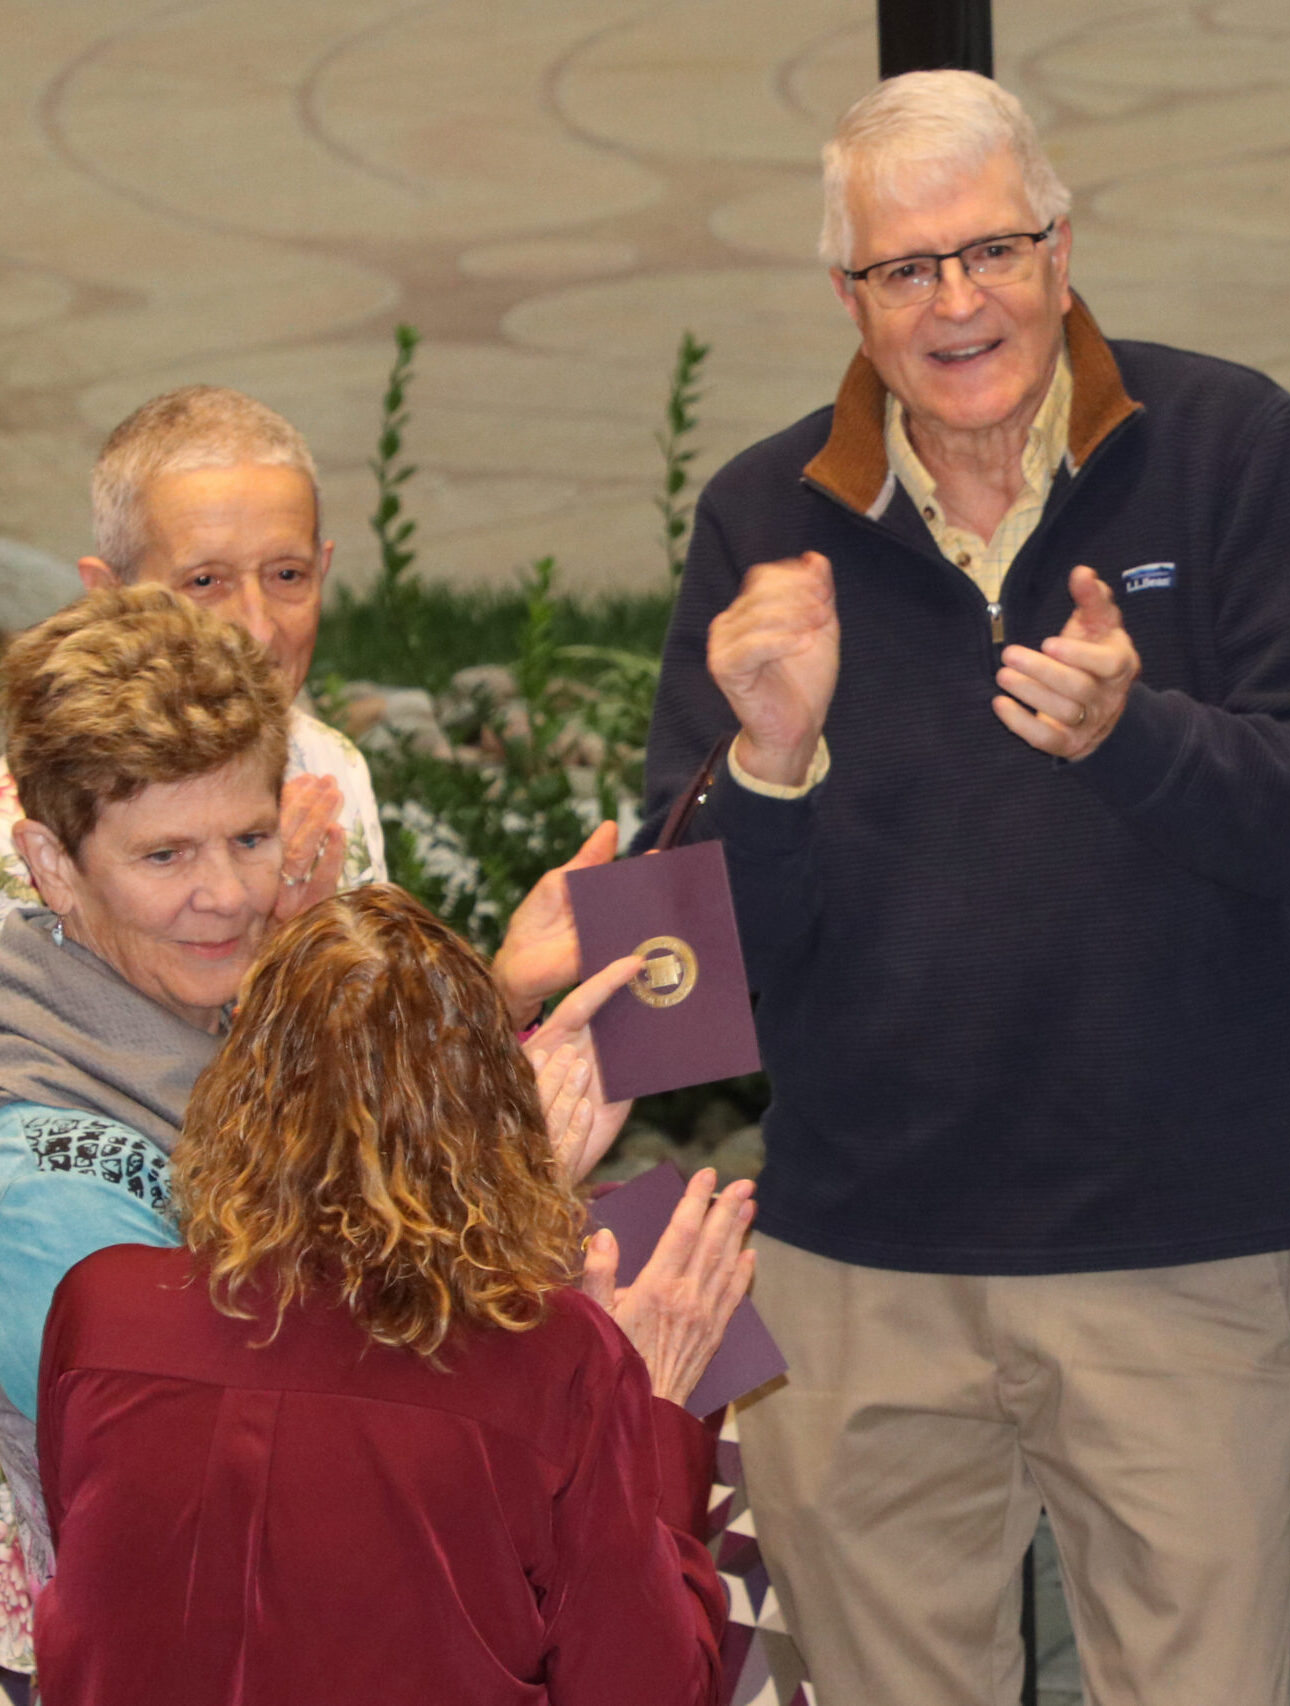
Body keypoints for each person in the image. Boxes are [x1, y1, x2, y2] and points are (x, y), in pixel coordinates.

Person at [639, 69, 1290, 1706]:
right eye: (905, 269)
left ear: (1063, 246)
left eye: (991, 248)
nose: (957, 299)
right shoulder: (763, 518)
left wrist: (1137, 738)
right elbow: (675, 987)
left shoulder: (1231, 447)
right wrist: (769, 767)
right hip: (860, 1279)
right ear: (847, 299)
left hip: (1180, 1255)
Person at [0, 588, 744, 1657]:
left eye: (251, 836)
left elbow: (326, 1218)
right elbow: (305, 1437)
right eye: (164, 856)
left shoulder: (187, 1012)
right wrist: (520, 1214)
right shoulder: (39, 1172)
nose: (227, 896)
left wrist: (487, 1008)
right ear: (51, 859)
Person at [33, 883, 748, 1706]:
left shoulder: (102, 1307)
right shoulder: (560, 1360)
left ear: (235, 1085)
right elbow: (645, 1689)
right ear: (489, 1104)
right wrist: (654, 1409)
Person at [0, 384, 592, 1029]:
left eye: (287, 575)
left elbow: (360, 1072)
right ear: (108, 594)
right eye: (206, 582)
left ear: (323, 569)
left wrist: (505, 997)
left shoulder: (330, 766)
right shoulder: (26, 818)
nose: (256, 629)